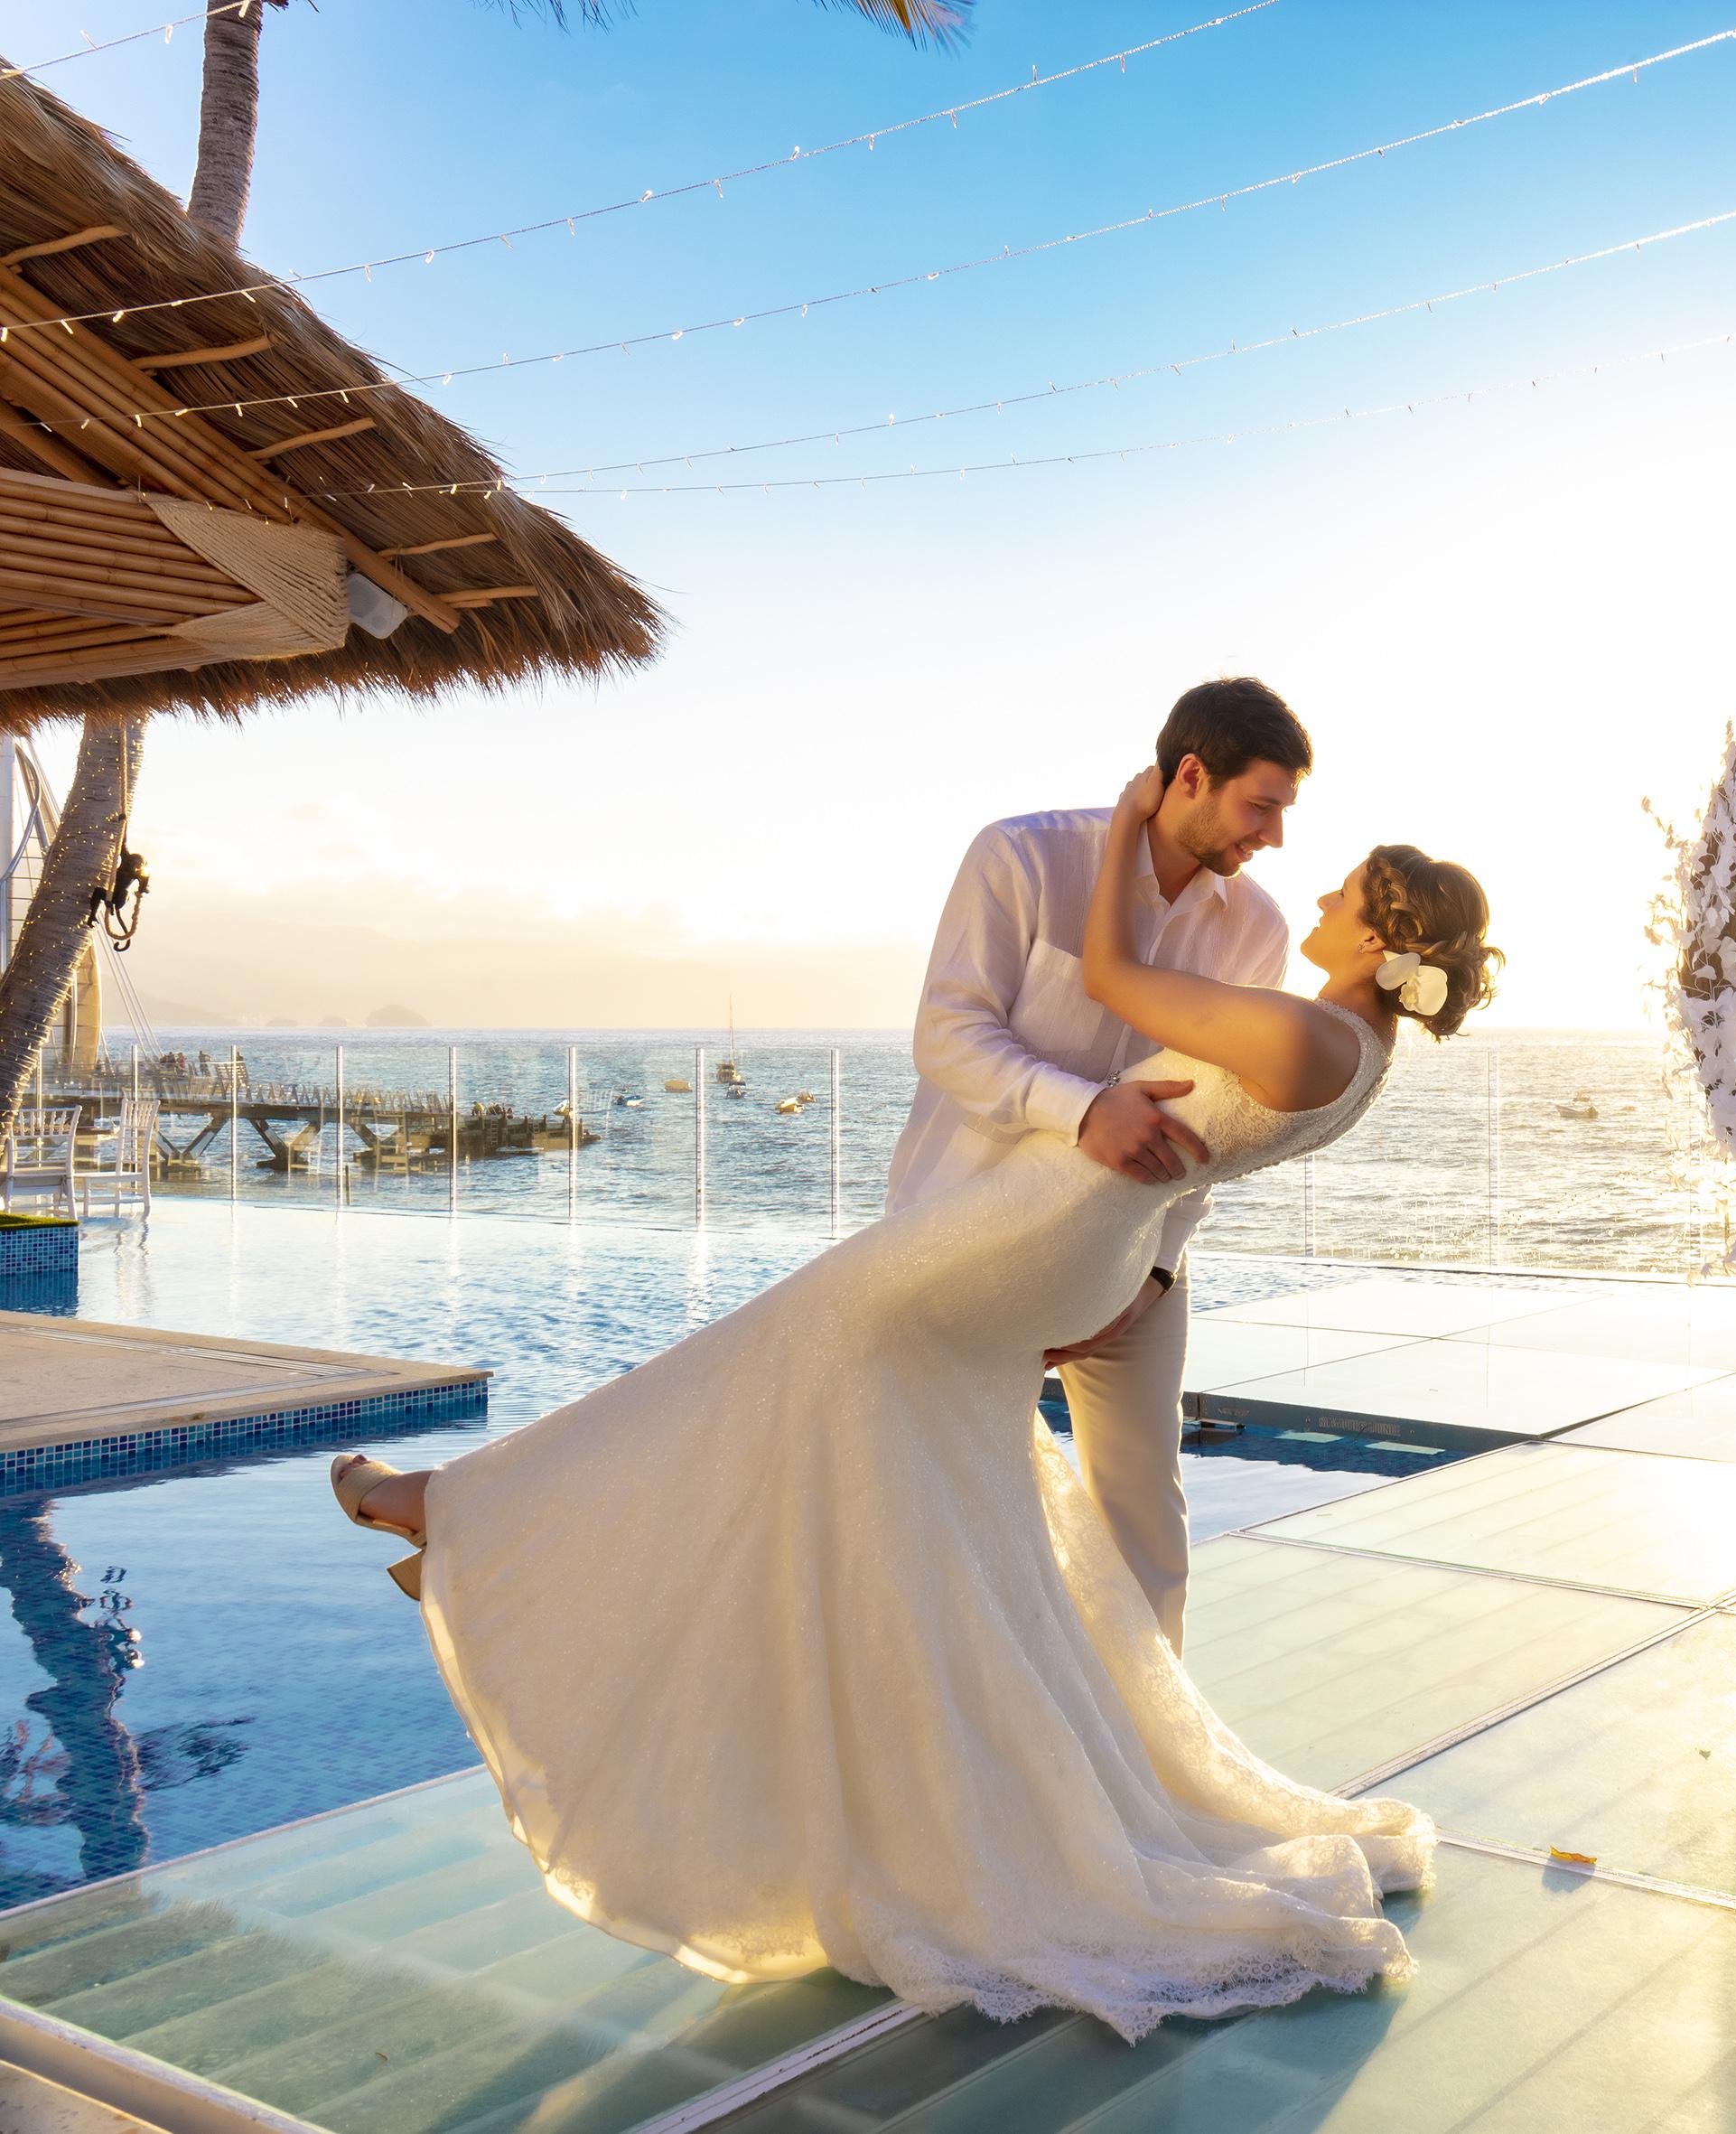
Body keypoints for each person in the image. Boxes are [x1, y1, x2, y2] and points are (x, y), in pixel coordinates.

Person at [323, 759, 1499, 2043]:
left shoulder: (1309, 1029)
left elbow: (1113, 981)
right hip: (1058, 1225)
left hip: (1049, 1225)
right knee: (830, 1424)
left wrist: (1117, 830)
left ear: (1379, 937)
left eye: (1342, 891)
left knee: (782, 1346)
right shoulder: (1350, 1042)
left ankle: (474, 1519)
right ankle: (507, 1542)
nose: (1310, 883)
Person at [887, 677, 1312, 1651]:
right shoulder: (1022, 857)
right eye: (1262, 806)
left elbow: (1223, 1124)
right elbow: (947, 1034)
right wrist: (1084, 1111)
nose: (1274, 837)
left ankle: (1153, 1765)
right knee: (950, 1503)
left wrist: (1154, 1275)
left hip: (1138, 1259)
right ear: (1191, 775)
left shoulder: (1258, 931)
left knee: (1144, 1517)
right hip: (966, 1238)